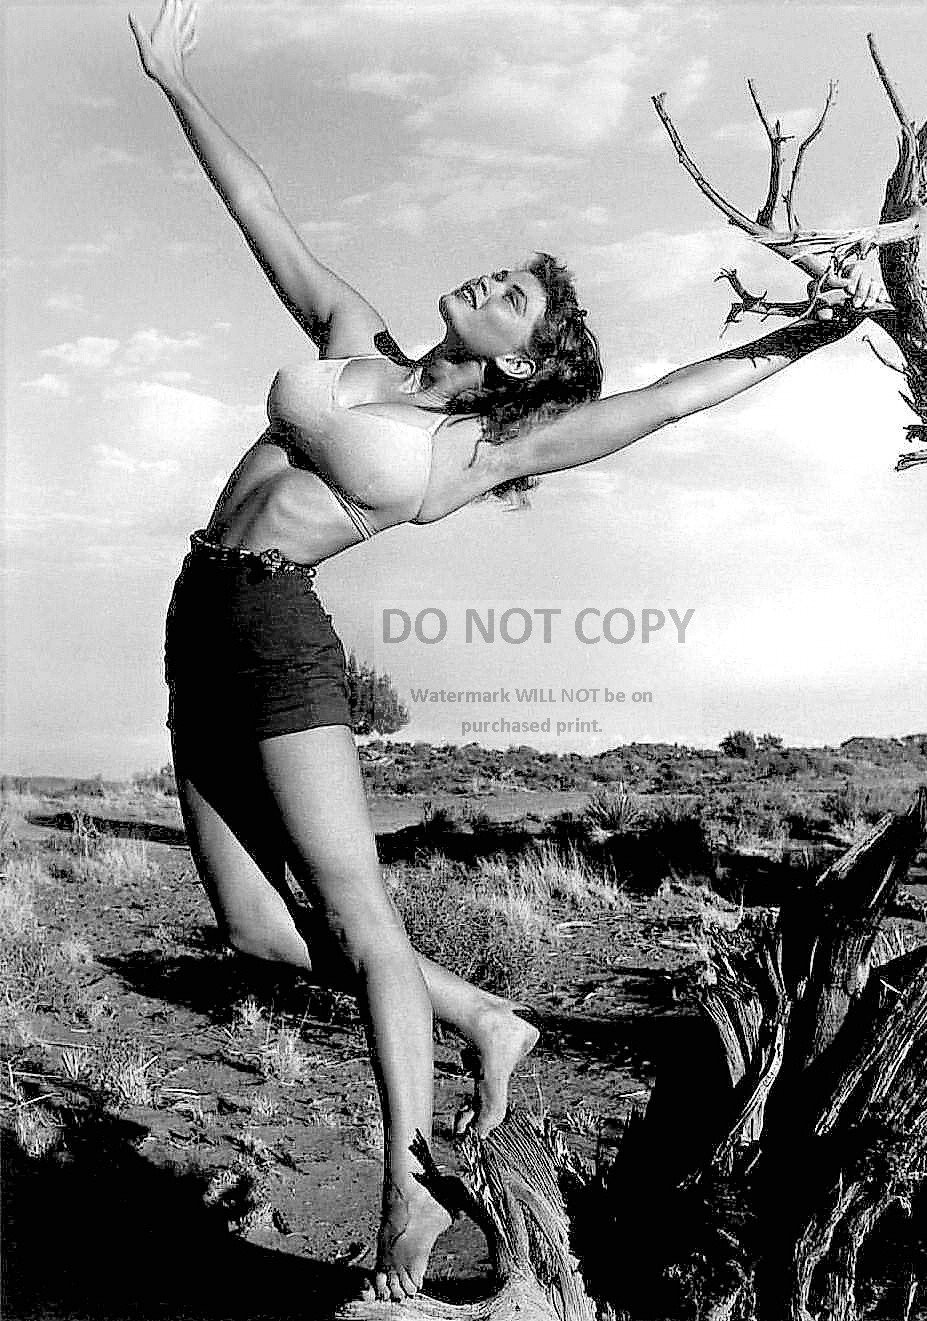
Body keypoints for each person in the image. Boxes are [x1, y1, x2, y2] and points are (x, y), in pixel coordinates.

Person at [129, 0, 884, 1303]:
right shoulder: (355, 337)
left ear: (528, 363)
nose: (486, 281)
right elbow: (261, 212)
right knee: (255, 929)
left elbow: (668, 399)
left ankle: (410, 1195)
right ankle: (483, 1013)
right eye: (497, 272)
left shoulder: (483, 450)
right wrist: (171, 81)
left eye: (513, 296)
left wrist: (819, 330)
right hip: (195, 619)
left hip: (279, 633)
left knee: (358, 919)